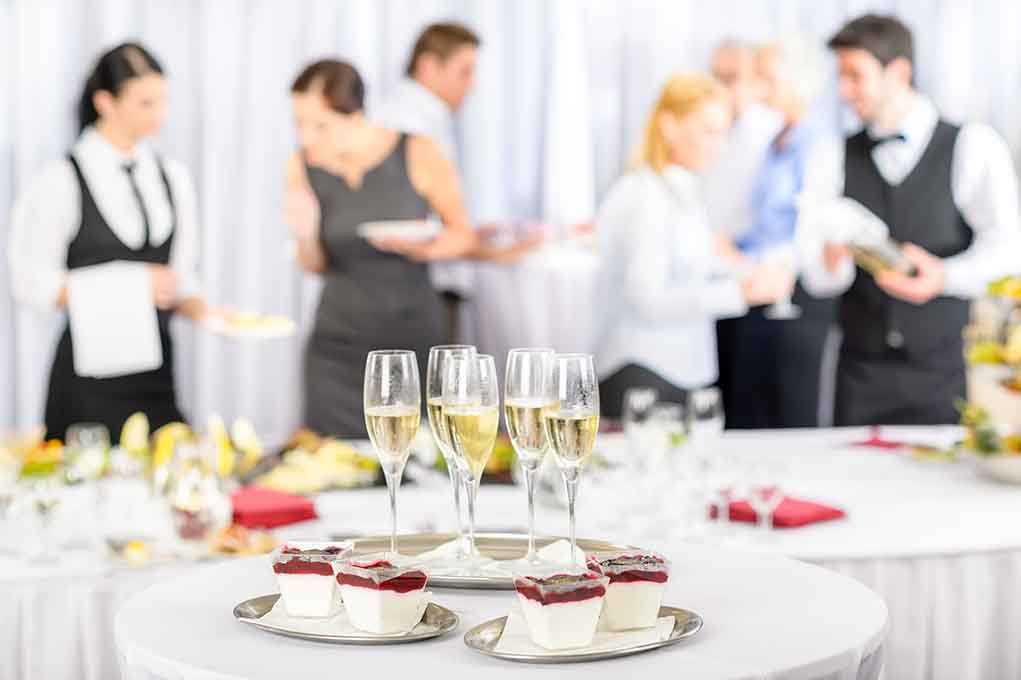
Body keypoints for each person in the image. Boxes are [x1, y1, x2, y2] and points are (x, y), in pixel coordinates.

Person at [799, 14, 1021, 425]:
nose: (844, 91)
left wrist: (945, 276)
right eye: (840, 77)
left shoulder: (973, 146)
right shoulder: (830, 154)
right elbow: (816, 278)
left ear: (898, 72)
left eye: (855, 76)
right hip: (859, 375)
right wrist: (832, 255)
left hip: (942, 376)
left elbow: (1010, 251)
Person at [8, 43, 206, 440]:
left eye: (163, 101)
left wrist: (200, 306)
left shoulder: (173, 178)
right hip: (88, 382)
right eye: (145, 103)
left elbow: (179, 277)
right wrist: (135, 285)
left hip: (157, 377)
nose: (160, 115)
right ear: (105, 102)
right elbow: (30, 283)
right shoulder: (60, 181)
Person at [286, 59, 476, 436]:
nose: (307, 137)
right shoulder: (300, 166)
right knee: (334, 471)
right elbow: (315, 264)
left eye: (320, 125)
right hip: (337, 349)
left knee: (416, 466)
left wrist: (422, 248)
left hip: (411, 342)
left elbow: (464, 235)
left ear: (356, 115)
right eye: (299, 123)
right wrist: (306, 234)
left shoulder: (416, 150)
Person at [595, 73, 794, 418]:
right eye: (708, 131)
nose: (720, 145)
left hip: (684, 375)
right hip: (644, 376)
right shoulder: (645, 196)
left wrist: (749, 273)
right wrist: (740, 295)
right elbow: (647, 298)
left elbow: (695, 265)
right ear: (669, 126)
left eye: (724, 132)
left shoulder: (683, 193)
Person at [375, 22, 541, 341]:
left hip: (420, 292)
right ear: (427, 67)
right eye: (464, 72)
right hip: (413, 296)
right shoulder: (407, 125)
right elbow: (406, 229)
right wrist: (493, 251)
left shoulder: (423, 119)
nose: (471, 85)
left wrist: (473, 234)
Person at [720, 38, 839, 428]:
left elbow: (813, 225)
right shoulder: (775, 140)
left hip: (795, 292)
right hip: (759, 283)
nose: (759, 89)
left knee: (787, 410)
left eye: (767, 79)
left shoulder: (820, 142)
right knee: (747, 406)